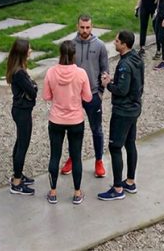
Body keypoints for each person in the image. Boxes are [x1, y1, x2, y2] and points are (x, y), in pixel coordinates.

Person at [43, 40, 92, 205]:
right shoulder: (81, 73)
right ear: (74, 55)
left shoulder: (51, 72)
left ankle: (53, 192)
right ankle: (77, 192)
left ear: (60, 53)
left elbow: (46, 96)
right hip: (76, 119)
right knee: (76, 156)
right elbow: (88, 97)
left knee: (55, 155)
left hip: (56, 119)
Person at [97, 30, 143, 202]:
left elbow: (122, 90)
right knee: (130, 143)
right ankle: (130, 181)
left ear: (124, 44)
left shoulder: (124, 65)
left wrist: (108, 84)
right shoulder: (137, 58)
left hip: (123, 111)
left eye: (117, 41)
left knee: (115, 147)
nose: (114, 43)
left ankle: (117, 189)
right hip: (135, 108)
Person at [65, 15, 108, 181]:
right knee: (73, 129)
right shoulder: (71, 45)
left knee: (96, 129)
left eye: (87, 27)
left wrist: (100, 92)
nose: (85, 30)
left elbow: (105, 70)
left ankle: (99, 161)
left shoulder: (100, 46)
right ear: (77, 26)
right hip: (74, 95)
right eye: (82, 27)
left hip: (93, 94)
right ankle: (72, 158)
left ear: (92, 27)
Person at [6, 38, 37, 196]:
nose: (31, 50)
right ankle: (17, 182)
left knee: (20, 142)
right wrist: (34, 86)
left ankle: (17, 174)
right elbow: (33, 91)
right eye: (29, 49)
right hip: (22, 111)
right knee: (22, 145)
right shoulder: (20, 73)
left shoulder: (16, 69)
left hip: (20, 110)